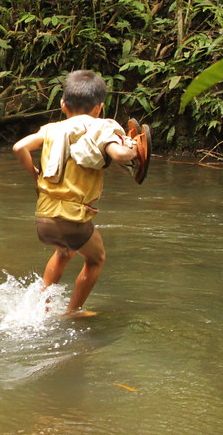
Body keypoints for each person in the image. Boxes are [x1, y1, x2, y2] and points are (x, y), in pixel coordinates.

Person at [11, 70, 148, 317]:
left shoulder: (51, 129)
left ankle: (41, 309)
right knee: (96, 258)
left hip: (44, 219)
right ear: (99, 107)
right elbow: (119, 155)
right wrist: (134, 150)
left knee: (65, 252)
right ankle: (73, 311)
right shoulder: (102, 127)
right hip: (73, 220)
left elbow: (19, 146)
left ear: (63, 105)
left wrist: (36, 176)